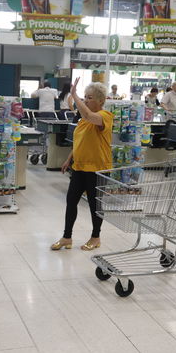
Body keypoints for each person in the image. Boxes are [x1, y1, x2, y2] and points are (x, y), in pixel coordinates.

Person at [51, 78, 114, 251]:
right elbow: (80, 142)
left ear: (101, 101)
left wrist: (74, 96)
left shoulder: (104, 117)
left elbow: (89, 115)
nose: (86, 100)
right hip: (79, 166)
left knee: (95, 205)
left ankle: (95, 237)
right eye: (85, 97)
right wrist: (68, 159)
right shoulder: (84, 120)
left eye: (90, 97)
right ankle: (67, 237)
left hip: (98, 169)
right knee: (71, 201)